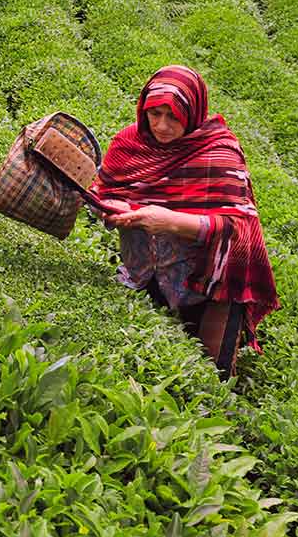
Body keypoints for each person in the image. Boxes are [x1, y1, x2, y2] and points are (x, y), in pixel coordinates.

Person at [91, 65, 279, 378]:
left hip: (206, 284)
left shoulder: (219, 153)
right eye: (154, 114)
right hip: (144, 273)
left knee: (211, 377)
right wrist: (109, 208)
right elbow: (103, 191)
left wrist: (170, 222)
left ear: (193, 112)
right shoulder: (130, 144)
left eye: (173, 116)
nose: (162, 126)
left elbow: (239, 227)